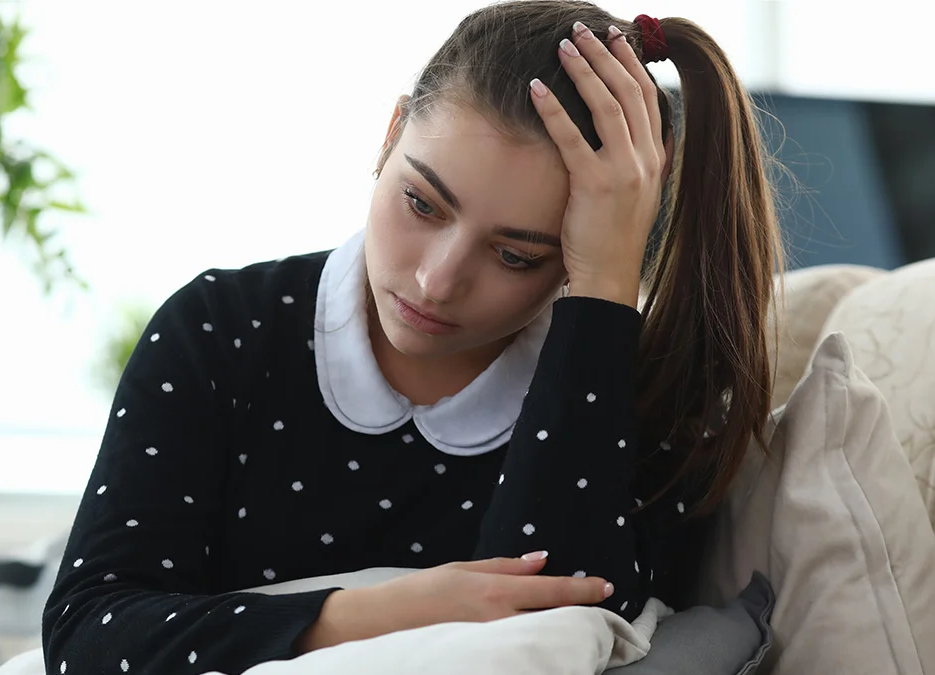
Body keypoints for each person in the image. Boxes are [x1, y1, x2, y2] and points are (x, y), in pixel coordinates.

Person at [41, 2, 783, 673]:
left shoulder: (640, 388)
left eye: (516, 254)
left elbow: (560, 632)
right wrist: (406, 607)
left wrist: (603, 289)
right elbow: (87, 633)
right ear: (391, 134)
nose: (436, 281)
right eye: (422, 203)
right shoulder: (220, 330)